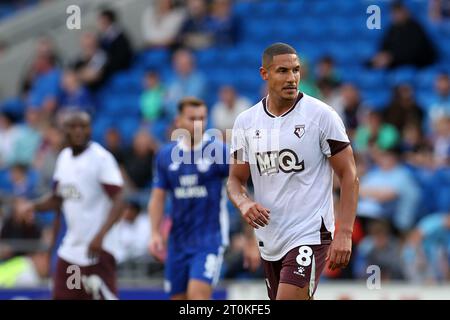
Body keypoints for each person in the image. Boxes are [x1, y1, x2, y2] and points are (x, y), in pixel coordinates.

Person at [226, 43, 359, 300]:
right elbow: (235, 179)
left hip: (310, 232)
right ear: (265, 74)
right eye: (283, 71)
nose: (291, 78)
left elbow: (349, 175)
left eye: (296, 70)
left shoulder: (321, 116)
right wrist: (243, 203)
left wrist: (344, 232)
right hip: (270, 236)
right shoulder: (246, 121)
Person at [17, 111, 125, 300]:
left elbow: (119, 200)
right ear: (63, 130)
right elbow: (58, 198)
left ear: (90, 129)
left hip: (98, 250)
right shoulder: (64, 158)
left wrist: (100, 236)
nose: (78, 131)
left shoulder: (101, 159)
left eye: (83, 126)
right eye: (73, 127)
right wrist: (32, 206)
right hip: (72, 251)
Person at [148, 97, 229, 300]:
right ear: (178, 122)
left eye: (202, 118)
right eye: (192, 118)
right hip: (177, 242)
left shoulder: (219, 151)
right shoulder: (166, 155)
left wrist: (249, 240)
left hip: (209, 239)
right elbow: (158, 197)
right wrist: (155, 233)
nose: (198, 124)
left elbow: (241, 187)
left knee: (198, 297)